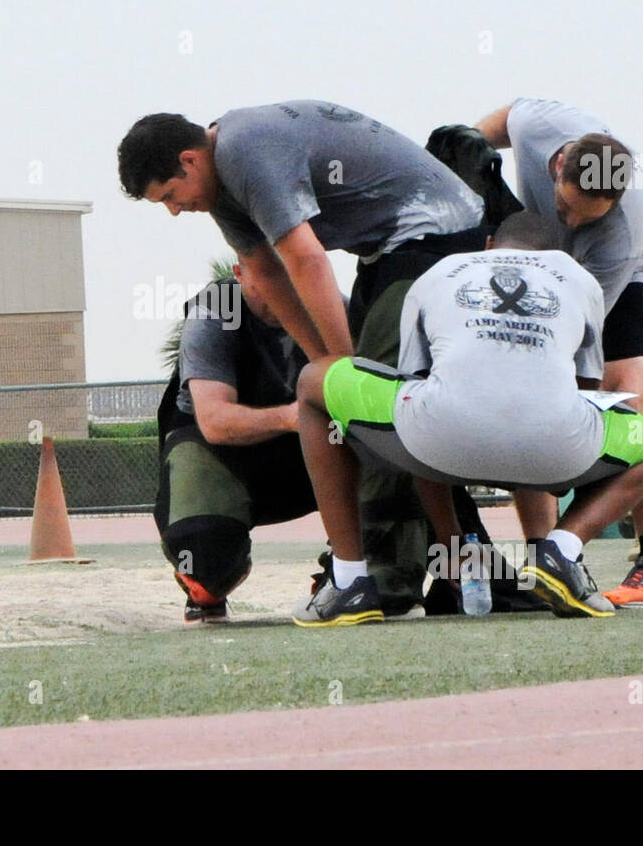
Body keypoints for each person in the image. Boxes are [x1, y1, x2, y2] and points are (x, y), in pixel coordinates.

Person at [121, 101, 508, 616]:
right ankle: (432, 567)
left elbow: (306, 258)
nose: (173, 210)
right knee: (364, 396)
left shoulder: (243, 151)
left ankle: (384, 581)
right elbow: (275, 277)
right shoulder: (224, 195)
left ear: (190, 160)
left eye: (170, 195)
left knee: (379, 405)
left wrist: (346, 372)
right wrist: (327, 361)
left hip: (437, 232)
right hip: (388, 249)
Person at [291, 213, 643, 625]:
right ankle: (562, 550)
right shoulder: (576, 277)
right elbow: (586, 390)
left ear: (487, 246)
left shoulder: (442, 270)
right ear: (557, 255)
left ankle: (348, 582)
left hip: (439, 442)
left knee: (313, 384)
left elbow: (422, 389)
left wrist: (450, 542)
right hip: (553, 452)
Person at [475, 97, 643, 609]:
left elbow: (582, 333)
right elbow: (495, 123)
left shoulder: (621, 229)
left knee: (630, 390)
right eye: (565, 208)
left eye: (584, 219)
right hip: (542, 255)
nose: (571, 222)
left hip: (633, 274)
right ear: (557, 167)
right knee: (532, 392)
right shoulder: (541, 125)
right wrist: (467, 162)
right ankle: (540, 562)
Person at [154, 261, 323, 622]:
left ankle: (364, 574)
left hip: (310, 452)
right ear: (240, 273)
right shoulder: (216, 311)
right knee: (203, 553)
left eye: (292, 273)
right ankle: (209, 578)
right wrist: (296, 417)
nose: (282, 290)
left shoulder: (331, 306)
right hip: (225, 453)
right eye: (268, 276)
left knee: (397, 452)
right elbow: (215, 423)